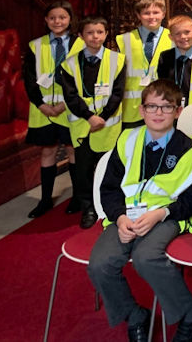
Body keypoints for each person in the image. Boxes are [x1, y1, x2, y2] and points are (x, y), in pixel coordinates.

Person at [87, 79, 192, 342]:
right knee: (100, 264)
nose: (158, 113)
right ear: (142, 111)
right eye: (152, 106)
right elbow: (109, 189)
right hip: (126, 216)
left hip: (167, 215)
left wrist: (160, 214)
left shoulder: (191, 149)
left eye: (166, 107)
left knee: (145, 257)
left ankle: (191, 311)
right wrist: (118, 218)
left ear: (178, 111)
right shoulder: (127, 139)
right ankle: (134, 315)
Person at [60, 16, 126, 229]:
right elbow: (70, 97)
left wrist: (103, 117)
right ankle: (88, 207)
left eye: (99, 32)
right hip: (83, 127)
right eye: (89, 32)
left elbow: (118, 93)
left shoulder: (118, 60)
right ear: (80, 36)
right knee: (84, 170)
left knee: (112, 168)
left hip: (109, 127)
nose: (95, 36)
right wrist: (90, 117)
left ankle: (112, 204)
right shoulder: (69, 64)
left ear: (106, 34)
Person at [23, 0, 83, 218]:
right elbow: (29, 80)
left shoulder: (81, 44)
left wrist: (65, 103)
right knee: (47, 152)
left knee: (72, 150)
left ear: (70, 19)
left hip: (70, 109)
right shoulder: (35, 46)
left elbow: (83, 78)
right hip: (43, 111)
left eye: (62, 17)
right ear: (46, 20)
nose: (58, 21)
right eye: (53, 18)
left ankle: (77, 197)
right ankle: (45, 200)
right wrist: (42, 105)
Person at [116, 0, 172, 127]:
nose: (152, 17)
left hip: (162, 105)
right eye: (146, 13)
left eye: (156, 12)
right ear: (138, 15)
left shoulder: (173, 39)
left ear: (163, 14)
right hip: (132, 108)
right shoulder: (124, 40)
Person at [155, 14, 192, 108]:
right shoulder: (165, 57)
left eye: (187, 32)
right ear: (171, 37)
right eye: (177, 34)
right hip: (171, 110)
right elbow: (162, 85)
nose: (183, 36)